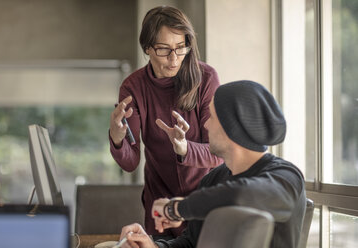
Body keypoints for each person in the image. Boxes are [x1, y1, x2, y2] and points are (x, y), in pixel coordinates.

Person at [118, 80, 307, 248]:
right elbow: (191, 243)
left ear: (232, 128)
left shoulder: (286, 176)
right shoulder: (213, 179)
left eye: (213, 117)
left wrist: (176, 209)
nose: (206, 125)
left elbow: (241, 194)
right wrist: (152, 246)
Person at [109, 6, 223, 238]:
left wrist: (185, 148)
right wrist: (118, 139)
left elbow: (219, 152)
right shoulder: (133, 87)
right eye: (163, 49)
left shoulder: (206, 79)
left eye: (181, 48)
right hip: (160, 202)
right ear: (148, 48)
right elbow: (130, 163)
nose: (174, 59)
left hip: (203, 202)